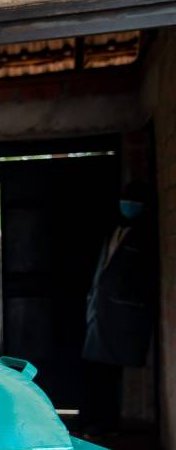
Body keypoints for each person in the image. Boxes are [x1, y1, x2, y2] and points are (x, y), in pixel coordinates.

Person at [81, 181, 157, 436]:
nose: (128, 205)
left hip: (120, 318)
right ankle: (91, 422)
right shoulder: (113, 231)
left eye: (133, 201)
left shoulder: (145, 235)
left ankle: (105, 425)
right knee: (95, 370)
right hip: (99, 313)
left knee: (109, 374)